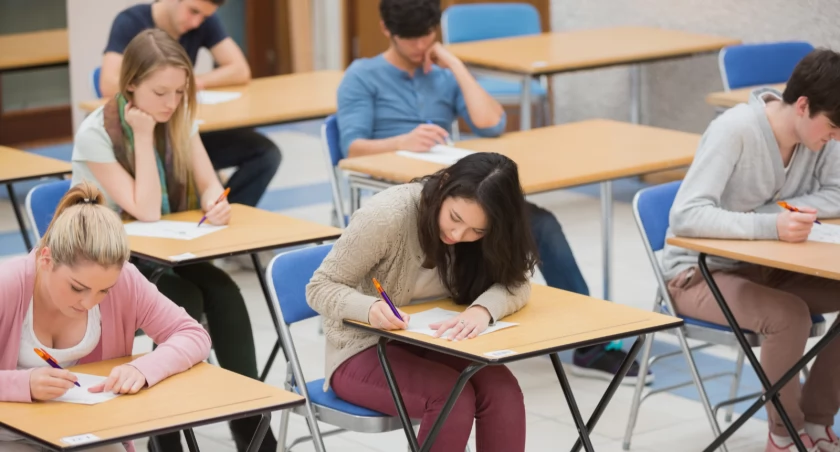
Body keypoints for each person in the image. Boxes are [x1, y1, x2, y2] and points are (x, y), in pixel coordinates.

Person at [335, 0, 651, 385]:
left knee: (541, 224)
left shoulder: (441, 73)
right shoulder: (363, 75)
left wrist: (454, 65)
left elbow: (491, 122)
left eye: (428, 36)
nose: (421, 46)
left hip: (457, 190)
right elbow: (351, 148)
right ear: (387, 30)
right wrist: (403, 140)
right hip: (398, 190)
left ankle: (590, 345)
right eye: (410, 38)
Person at [72, 30, 275, 452]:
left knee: (225, 290)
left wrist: (214, 202)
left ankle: (250, 424)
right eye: (160, 92)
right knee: (186, 300)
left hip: (165, 254)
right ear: (130, 85)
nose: (171, 102)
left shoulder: (179, 118)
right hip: (109, 268)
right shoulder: (96, 133)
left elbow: (207, 184)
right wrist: (143, 139)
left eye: (180, 92)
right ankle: (165, 435)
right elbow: (144, 209)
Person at [662, 49, 840, 452]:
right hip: (697, 274)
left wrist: (779, 214)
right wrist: (769, 224)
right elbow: (686, 215)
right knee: (788, 316)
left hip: (767, 266)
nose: (836, 138)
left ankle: (816, 422)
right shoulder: (735, 130)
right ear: (802, 105)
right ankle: (784, 435)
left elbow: (836, 193)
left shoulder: (822, 136)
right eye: (831, 128)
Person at [308, 152, 535, 451]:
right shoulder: (387, 216)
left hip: (433, 341)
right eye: (455, 218)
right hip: (361, 348)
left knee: (502, 391)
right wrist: (370, 308)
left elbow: (516, 282)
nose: (457, 234)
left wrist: (482, 310)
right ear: (443, 186)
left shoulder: (487, 230)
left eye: (477, 231)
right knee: (452, 398)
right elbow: (320, 286)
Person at [0, 181, 212, 452]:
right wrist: (22, 384)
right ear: (46, 260)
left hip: (86, 432)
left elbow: (192, 334)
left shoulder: (126, 281)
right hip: (8, 435)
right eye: (78, 287)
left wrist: (142, 369)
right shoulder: (7, 285)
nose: (89, 303)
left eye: (104, 290)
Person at [99, 0, 281, 213]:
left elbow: (240, 69)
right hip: (141, 130)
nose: (196, 22)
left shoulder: (202, 20)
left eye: (203, 17)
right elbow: (108, 83)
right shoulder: (130, 22)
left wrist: (188, 83)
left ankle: (221, 216)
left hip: (177, 125)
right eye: (193, 11)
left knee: (266, 154)